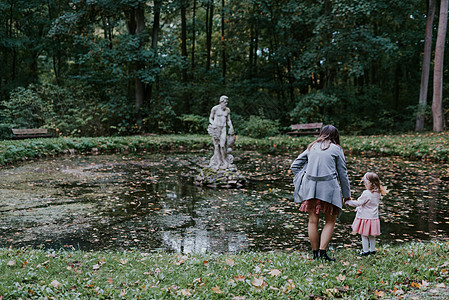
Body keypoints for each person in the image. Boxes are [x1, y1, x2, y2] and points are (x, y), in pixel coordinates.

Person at [290, 125, 351, 261]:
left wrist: (305, 175)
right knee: (330, 221)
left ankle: (315, 253)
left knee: (312, 222)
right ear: (336, 136)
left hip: (310, 189)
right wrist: (347, 195)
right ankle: (323, 253)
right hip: (329, 189)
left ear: (321, 134)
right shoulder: (337, 149)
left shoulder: (312, 147)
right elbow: (343, 174)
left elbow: (294, 166)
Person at [344, 172, 388, 256]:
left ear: (369, 183)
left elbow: (358, 203)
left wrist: (349, 202)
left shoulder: (366, 193)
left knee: (364, 235)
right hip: (374, 218)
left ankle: (365, 251)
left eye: (365, 182)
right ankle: (372, 250)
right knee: (372, 236)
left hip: (365, 218)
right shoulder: (378, 193)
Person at [207, 95, 235, 169]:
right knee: (216, 146)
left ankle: (224, 161)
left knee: (222, 145)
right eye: (224, 102)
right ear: (221, 102)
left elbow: (228, 120)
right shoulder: (215, 108)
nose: (226, 104)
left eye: (227, 102)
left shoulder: (227, 110)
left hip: (223, 128)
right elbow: (210, 118)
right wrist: (213, 125)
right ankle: (218, 162)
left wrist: (231, 126)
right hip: (216, 129)